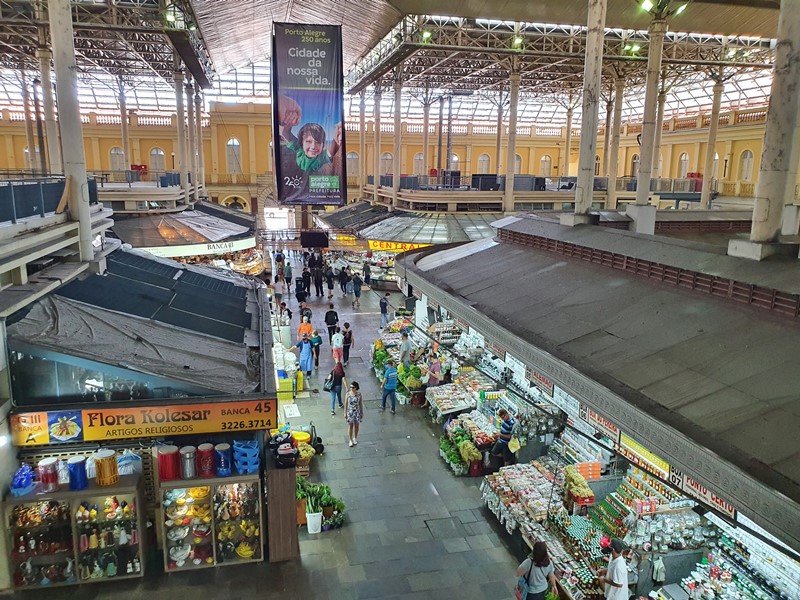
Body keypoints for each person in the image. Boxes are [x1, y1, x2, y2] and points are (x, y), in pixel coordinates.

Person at [344, 381, 364, 447]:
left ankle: (355, 437)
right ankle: (350, 439)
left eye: (353, 387)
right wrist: (345, 413)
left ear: (356, 388)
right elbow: (346, 404)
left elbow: (360, 403)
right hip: (350, 412)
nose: (351, 388)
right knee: (350, 426)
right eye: (350, 387)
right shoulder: (348, 394)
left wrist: (362, 412)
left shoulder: (359, 394)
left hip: (357, 412)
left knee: (357, 425)